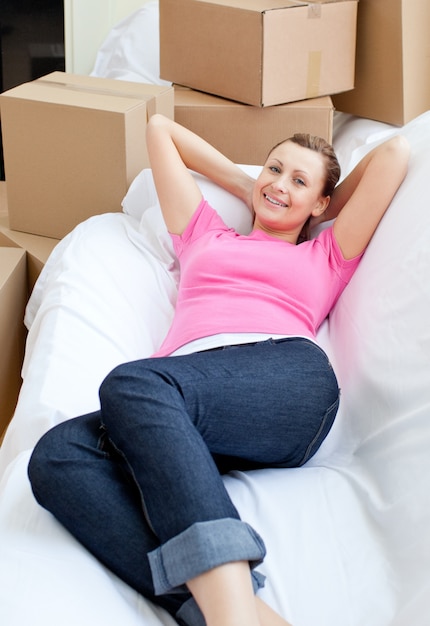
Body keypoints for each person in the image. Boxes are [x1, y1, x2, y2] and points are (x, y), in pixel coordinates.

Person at [28, 115, 409, 626]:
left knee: (134, 384)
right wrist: (249, 183)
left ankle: (232, 619)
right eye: (275, 168)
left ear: (320, 203)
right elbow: (160, 128)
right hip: (187, 404)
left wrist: (323, 208)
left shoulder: (326, 254)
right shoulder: (204, 233)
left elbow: (396, 154)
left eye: (299, 180)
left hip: (285, 383)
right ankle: (241, 611)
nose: (279, 183)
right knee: (57, 455)